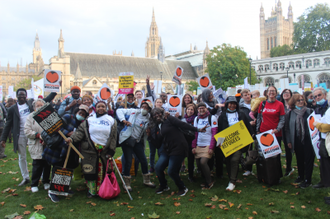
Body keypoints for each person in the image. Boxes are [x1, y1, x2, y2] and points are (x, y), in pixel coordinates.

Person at [0, 89, 56, 187]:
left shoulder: (31, 104)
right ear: (16, 96)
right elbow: (8, 123)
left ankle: (44, 178)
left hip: (36, 133)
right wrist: (3, 138)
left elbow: (45, 100)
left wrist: (54, 90)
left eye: (23, 95)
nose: (21, 97)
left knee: (41, 156)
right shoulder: (13, 108)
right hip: (20, 134)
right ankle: (25, 177)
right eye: (19, 95)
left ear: (26, 96)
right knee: (22, 157)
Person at [148, 107, 206, 196]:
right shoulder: (156, 127)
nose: (157, 115)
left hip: (179, 147)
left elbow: (183, 125)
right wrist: (149, 136)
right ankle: (164, 186)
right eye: (154, 115)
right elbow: (158, 144)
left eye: (158, 113)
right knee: (158, 168)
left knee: (171, 171)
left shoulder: (169, 119)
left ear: (162, 112)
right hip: (167, 149)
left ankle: (182, 187)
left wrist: (198, 129)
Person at [66, 101, 117, 198]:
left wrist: (111, 150)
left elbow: (114, 137)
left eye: (103, 106)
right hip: (89, 150)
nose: (100, 108)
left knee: (102, 171)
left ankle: (103, 190)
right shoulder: (89, 120)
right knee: (90, 171)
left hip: (104, 151)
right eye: (98, 106)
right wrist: (72, 139)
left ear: (105, 108)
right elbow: (80, 132)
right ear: (95, 108)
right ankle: (92, 191)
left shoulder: (111, 120)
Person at [116, 102, 155, 192]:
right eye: (143, 107)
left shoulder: (149, 118)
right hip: (127, 139)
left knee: (144, 160)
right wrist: (123, 120)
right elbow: (119, 111)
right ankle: (127, 183)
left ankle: (147, 180)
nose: (144, 109)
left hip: (137, 141)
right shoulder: (134, 111)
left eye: (146, 108)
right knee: (128, 160)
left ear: (149, 109)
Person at [218, 96, 254, 191]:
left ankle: (232, 181)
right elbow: (220, 129)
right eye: (230, 103)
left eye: (234, 103)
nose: (232, 105)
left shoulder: (241, 114)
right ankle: (232, 177)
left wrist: (251, 136)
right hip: (227, 142)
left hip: (239, 142)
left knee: (235, 160)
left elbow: (247, 126)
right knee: (228, 160)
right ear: (227, 105)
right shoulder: (223, 115)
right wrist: (219, 142)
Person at [285, 94, 314, 188]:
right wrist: (289, 141)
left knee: (309, 159)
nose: (301, 102)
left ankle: (308, 179)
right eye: (298, 100)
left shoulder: (309, 111)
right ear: (293, 102)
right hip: (296, 139)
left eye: (302, 100)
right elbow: (287, 129)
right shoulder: (290, 113)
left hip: (308, 139)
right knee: (299, 159)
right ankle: (301, 176)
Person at [256, 86, 284, 183]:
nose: (271, 92)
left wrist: (277, 129)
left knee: (275, 157)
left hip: (276, 134)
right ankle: (265, 176)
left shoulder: (280, 104)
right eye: (270, 91)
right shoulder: (262, 104)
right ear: (267, 93)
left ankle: (276, 177)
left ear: (276, 93)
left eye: (273, 91)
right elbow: (259, 117)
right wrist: (258, 129)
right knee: (264, 157)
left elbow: (282, 119)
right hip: (263, 133)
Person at [24, 99, 51, 193]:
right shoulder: (30, 117)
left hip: (47, 144)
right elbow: (27, 131)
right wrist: (38, 135)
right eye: (37, 106)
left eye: (41, 105)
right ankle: (34, 183)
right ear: (34, 107)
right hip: (36, 144)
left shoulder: (48, 116)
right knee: (37, 165)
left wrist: (47, 138)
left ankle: (46, 181)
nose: (39, 107)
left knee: (47, 165)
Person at [192, 103, 218, 189]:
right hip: (199, 144)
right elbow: (195, 133)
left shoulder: (212, 118)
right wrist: (193, 146)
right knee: (199, 164)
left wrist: (211, 147)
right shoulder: (196, 118)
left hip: (208, 144)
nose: (201, 110)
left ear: (206, 109)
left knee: (203, 162)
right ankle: (205, 178)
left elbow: (214, 133)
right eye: (199, 109)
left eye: (203, 108)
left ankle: (209, 181)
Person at [312, 87, 330, 189]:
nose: (317, 98)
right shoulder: (317, 108)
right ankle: (324, 180)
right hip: (321, 137)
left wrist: (318, 125)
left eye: (319, 95)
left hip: (327, 136)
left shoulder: (328, 107)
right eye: (315, 96)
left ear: (325, 95)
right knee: (323, 160)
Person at [239, 89, 255, 176]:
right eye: (245, 95)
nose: (248, 96)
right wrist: (248, 123)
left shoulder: (255, 104)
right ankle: (248, 168)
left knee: (256, 150)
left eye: (249, 94)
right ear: (242, 97)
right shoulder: (240, 107)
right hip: (246, 130)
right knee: (248, 150)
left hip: (256, 129)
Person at [181, 104, 198, 182]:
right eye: (188, 109)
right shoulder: (182, 119)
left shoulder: (196, 119)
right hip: (183, 141)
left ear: (194, 111)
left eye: (192, 109)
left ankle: (191, 175)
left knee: (191, 160)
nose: (190, 111)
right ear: (186, 110)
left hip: (192, 141)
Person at [280, 89, 294, 177]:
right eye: (284, 93)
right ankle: (288, 167)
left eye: (287, 93)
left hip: (292, 129)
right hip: (283, 129)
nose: (285, 94)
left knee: (292, 147)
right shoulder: (281, 105)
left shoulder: (293, 105)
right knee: (287, 147)